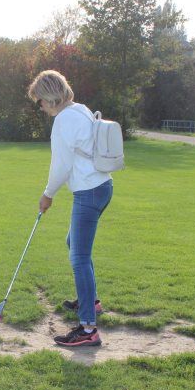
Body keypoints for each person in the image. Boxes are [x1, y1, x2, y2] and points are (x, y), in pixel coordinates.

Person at [28, 70, 113, 347]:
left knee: (78, 257)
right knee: (74, 243)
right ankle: (92, 302)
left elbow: (61, 165)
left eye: (40, 100)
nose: (40, 106)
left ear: (50, 97)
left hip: (89, 191)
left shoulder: (64, 120)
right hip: (103, 186)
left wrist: (47, 195)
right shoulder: (80, 109)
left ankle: (88, 329)